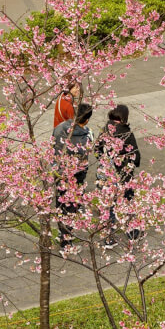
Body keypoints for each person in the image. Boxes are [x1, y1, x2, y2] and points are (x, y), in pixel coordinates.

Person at [95, 105, 141, 246]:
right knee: (127, 201)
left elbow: (97, 149)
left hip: (105, 174)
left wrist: (104, 161)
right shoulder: (125, 132)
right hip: (122, 174)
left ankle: (108, 237)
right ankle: (132, 232)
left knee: (108, 205)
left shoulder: (105, 129)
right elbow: (136, 156)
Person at [53, 103, 94, 248]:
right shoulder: (87, 135)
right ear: (87, 120)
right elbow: (86, 152)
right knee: (72, 207)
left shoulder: (59, 128)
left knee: (61, 204)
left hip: (59, 172)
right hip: (77, 175)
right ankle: (66, 241)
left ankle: (62, 234)